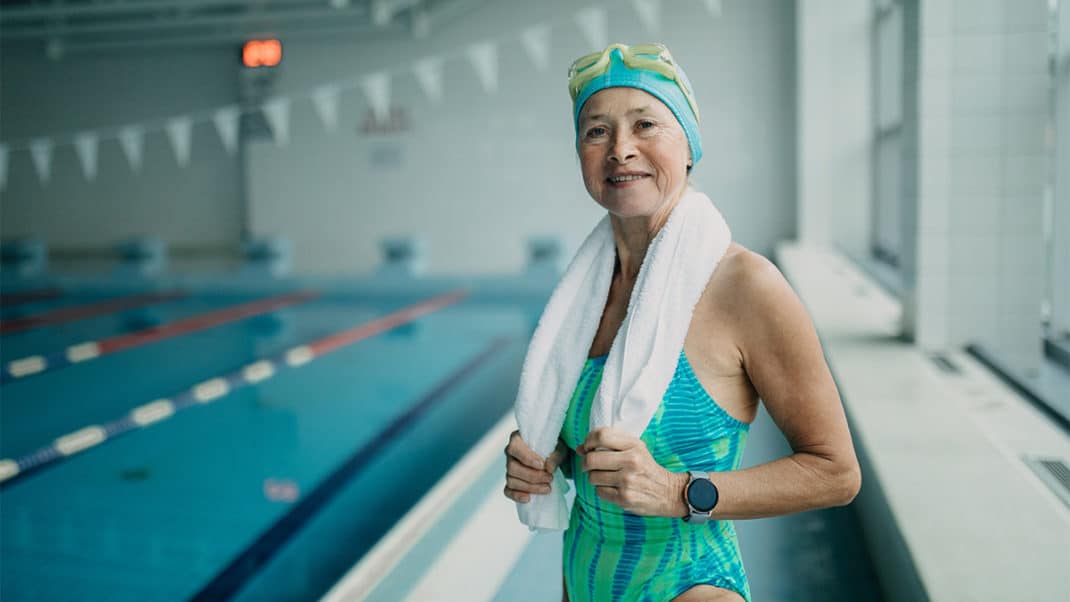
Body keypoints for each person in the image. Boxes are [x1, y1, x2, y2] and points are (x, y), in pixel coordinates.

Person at [503, 43, 861, 602]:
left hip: (688, 585)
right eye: (597, 131)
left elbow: (836, 472)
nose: (621, 150)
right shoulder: (582, 297)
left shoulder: (746, 286)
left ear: (689, 146)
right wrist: (548, 457)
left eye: (645, 124)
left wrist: (677, 492)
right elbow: (599, 444)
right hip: (583, 580)